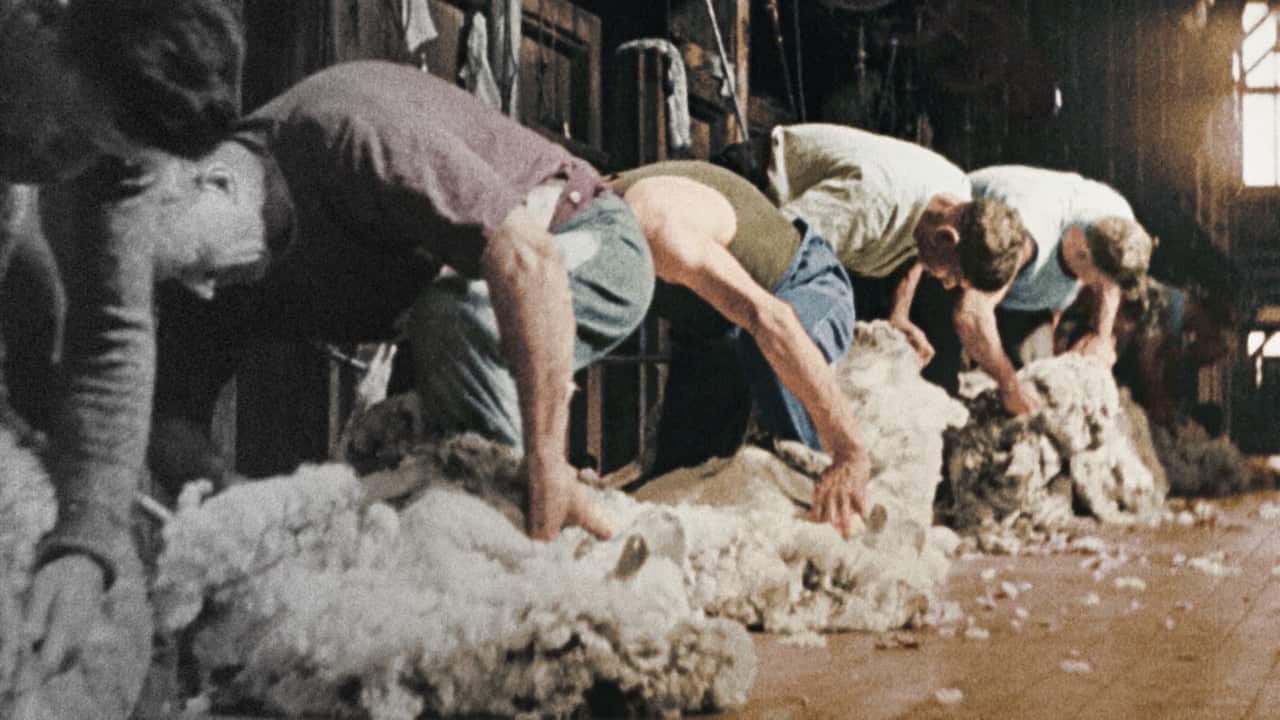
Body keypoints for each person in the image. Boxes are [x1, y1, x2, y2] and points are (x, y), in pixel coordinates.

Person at [150, 60, 654, 542]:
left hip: (582, 238)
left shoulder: (351, 131)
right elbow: (172, 422)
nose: (200, 291)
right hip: (448, 327)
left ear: (219, 183)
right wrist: (245, 505)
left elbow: (530, 261)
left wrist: (546, 460)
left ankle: (525, 536)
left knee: (456, 315)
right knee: (384, 482)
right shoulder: (206, 275)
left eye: (199, 265)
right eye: (182, 276)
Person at [0, 0, 247, 714]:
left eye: (105, 153)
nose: (69, 166)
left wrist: (85, 536)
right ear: (44, 17)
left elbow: (111, 328)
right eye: (74, 133)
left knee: (109, 613)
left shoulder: (113, 135)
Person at [610, 160, 870, 537]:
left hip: (800, 284)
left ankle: (834, 519)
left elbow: (772, 320)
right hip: (712, 327)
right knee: (672, 492)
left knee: (800, 475)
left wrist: (850, 452)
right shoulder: (571, 216)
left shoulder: (655, 225)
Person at [760, 124, 1030, 402]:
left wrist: (899, 314)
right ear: (946, 238)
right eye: (954, 274)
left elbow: (916, 256)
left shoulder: (956, 196)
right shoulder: (869, 205)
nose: (948, 285)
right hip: (760, 192)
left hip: (819, 234)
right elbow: (771, 253)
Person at [943, 165, 1155, 414]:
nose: (1104, 290)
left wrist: (1101, 338)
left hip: (1024, 295)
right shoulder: (1027, 238)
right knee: (943, 390)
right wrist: (1010, 384)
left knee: (1037, 392)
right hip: (955, 264)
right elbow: (970, 313)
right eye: (1099, 281)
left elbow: (1111, 284)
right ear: (1084, 254)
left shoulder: (1120, 219)